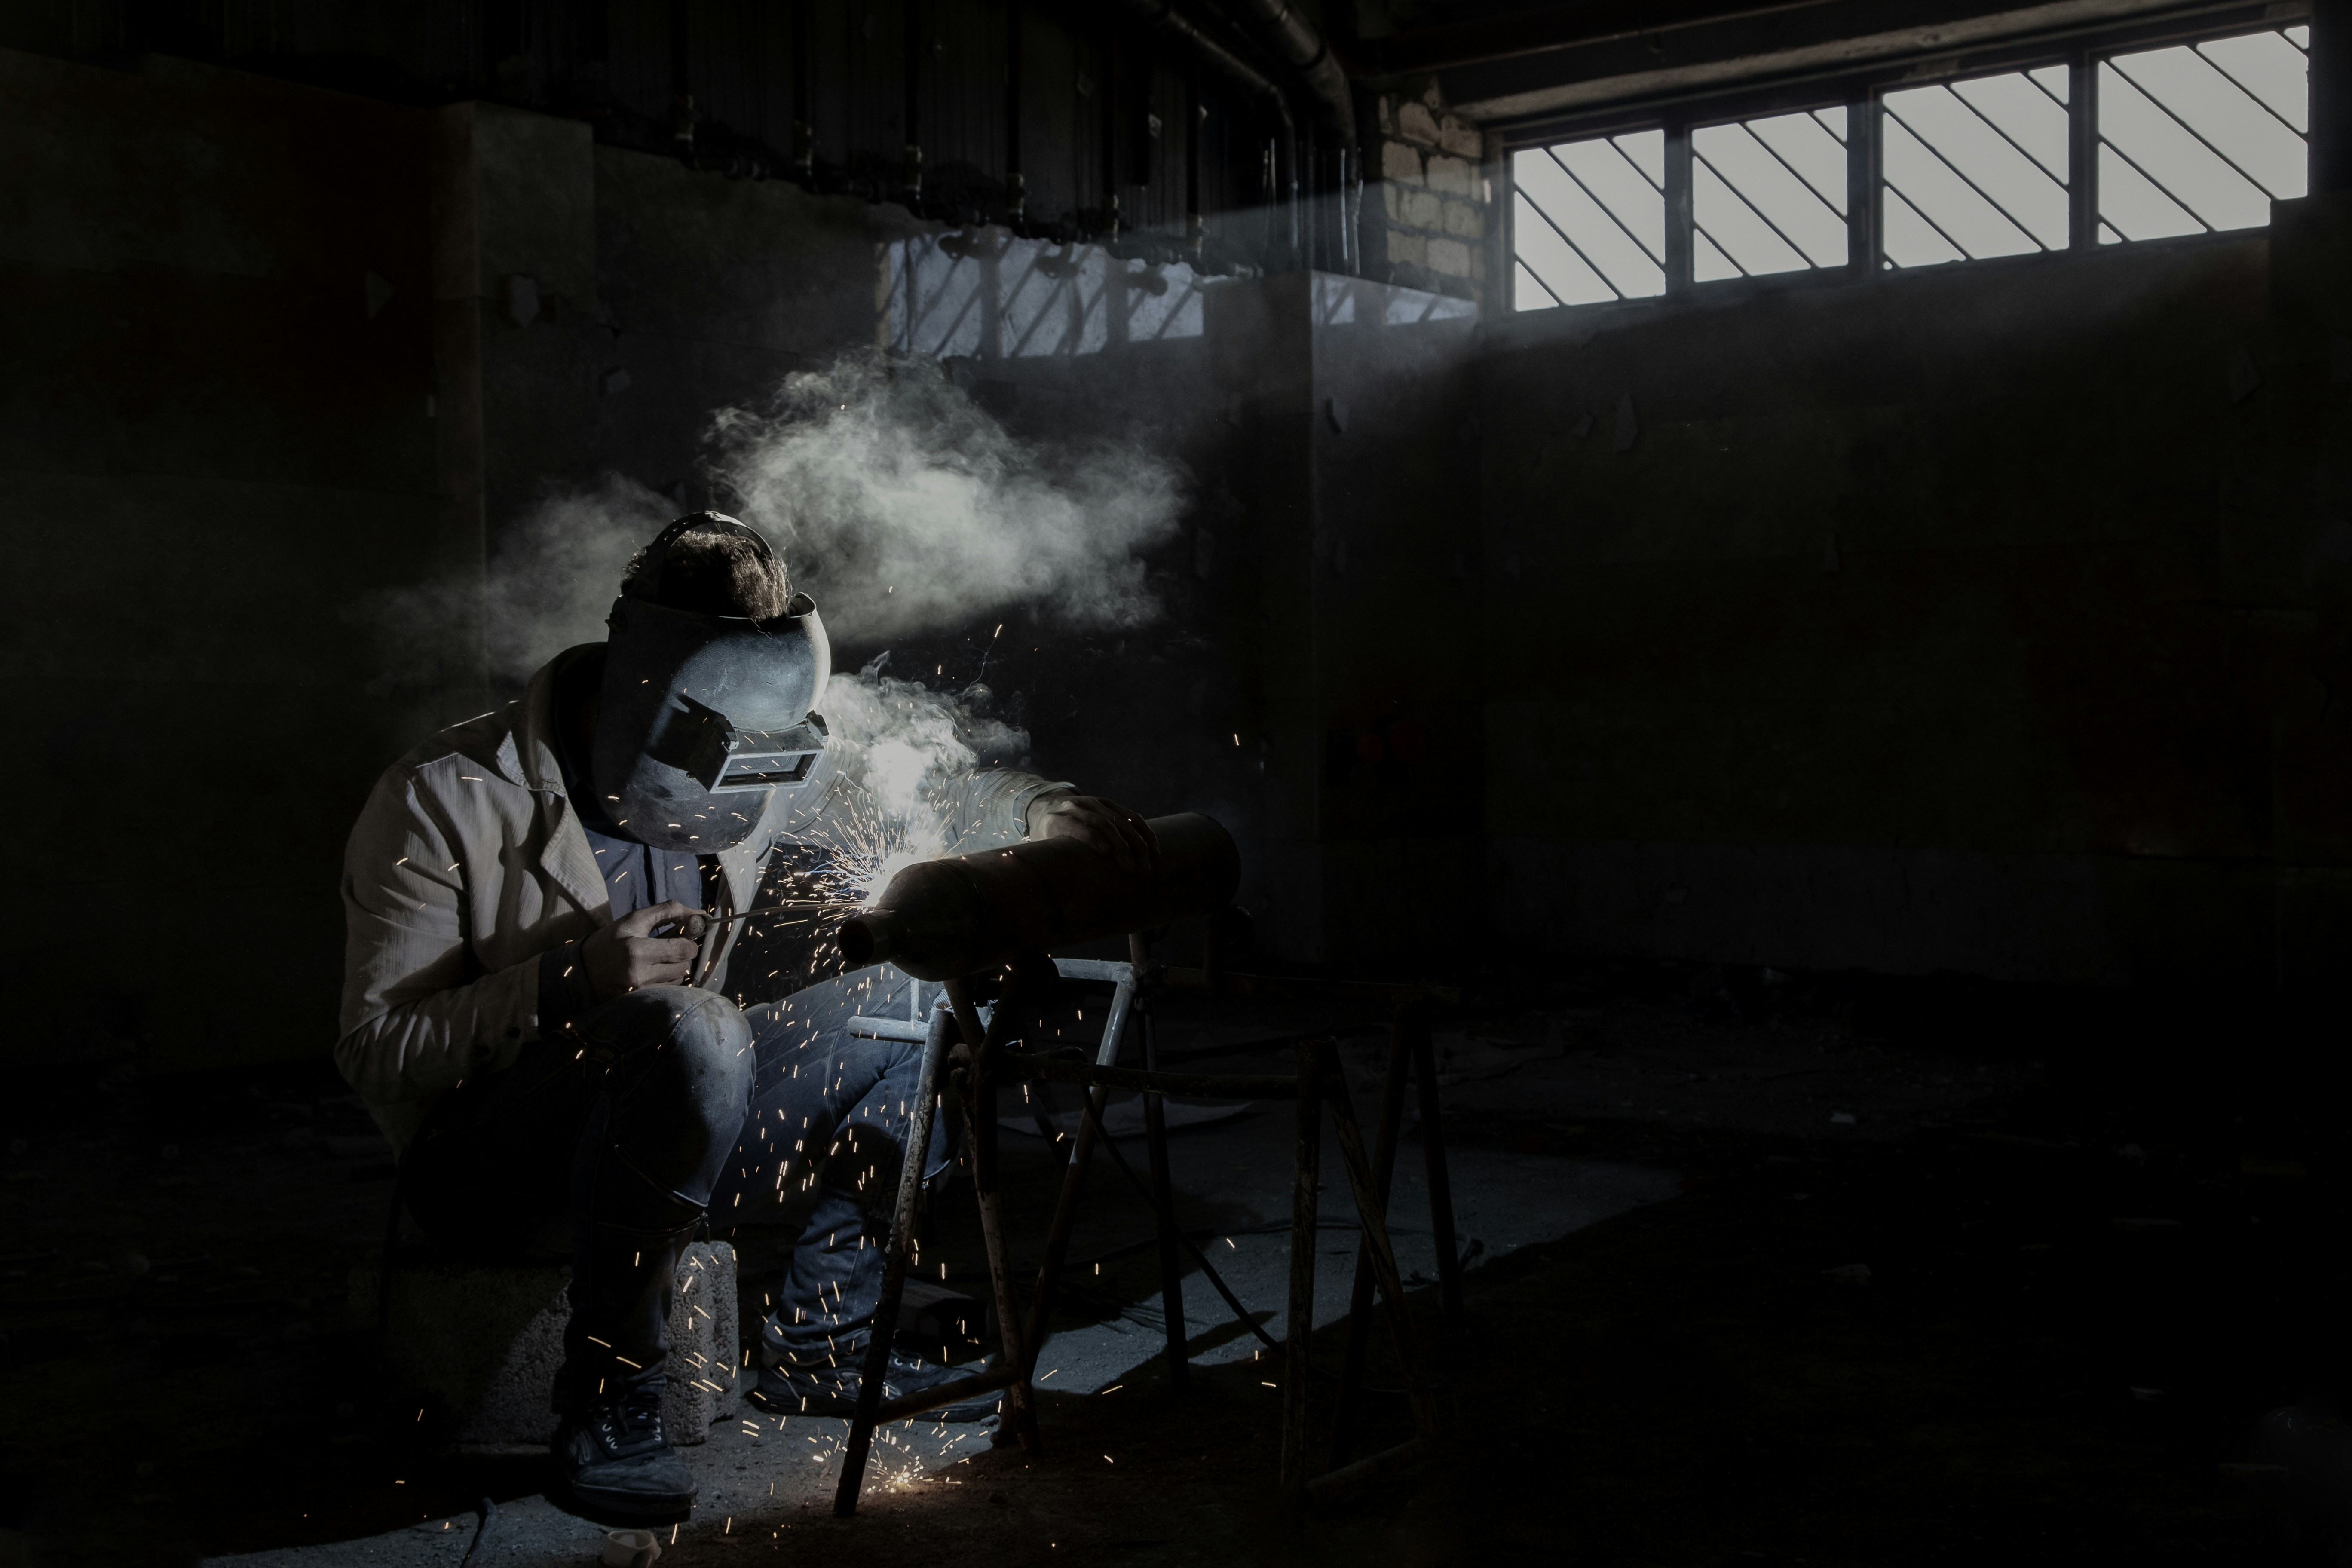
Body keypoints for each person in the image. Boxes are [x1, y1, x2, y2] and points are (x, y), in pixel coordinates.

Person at [336, 513, 1152, 1521]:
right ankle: (612, 1389)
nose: (742, 781)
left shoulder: (760, 746)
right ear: (641, 687)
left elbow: (943, 784)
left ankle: (824, 1337)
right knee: (689, 1026)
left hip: (673, 1122)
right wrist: (572, 980)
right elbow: (378, 1047)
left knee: (909, 983)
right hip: (490, 1166)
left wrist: (1045, 808)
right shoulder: (444, 797)